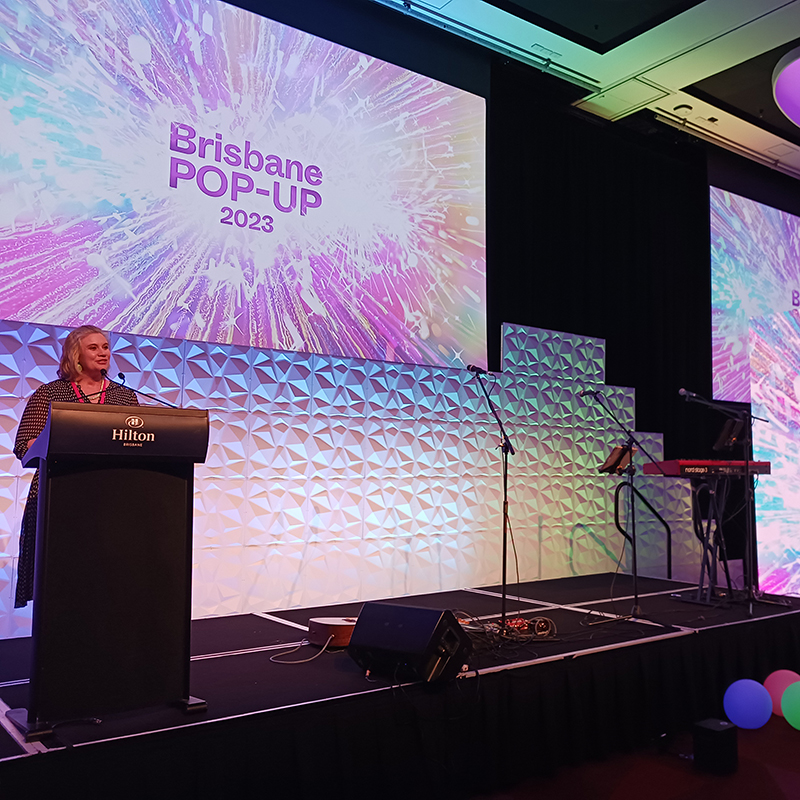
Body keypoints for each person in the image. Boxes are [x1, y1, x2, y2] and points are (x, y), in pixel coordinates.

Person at [13, 325, 138, 608]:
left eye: (105, 346)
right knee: (60, 590)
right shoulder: (50, 394)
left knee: (105, 587)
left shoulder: (125, 397)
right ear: (75, 355)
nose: (103, 352)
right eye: (93, 347)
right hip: (58, 499)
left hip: (110, 502)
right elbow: (24, 446)